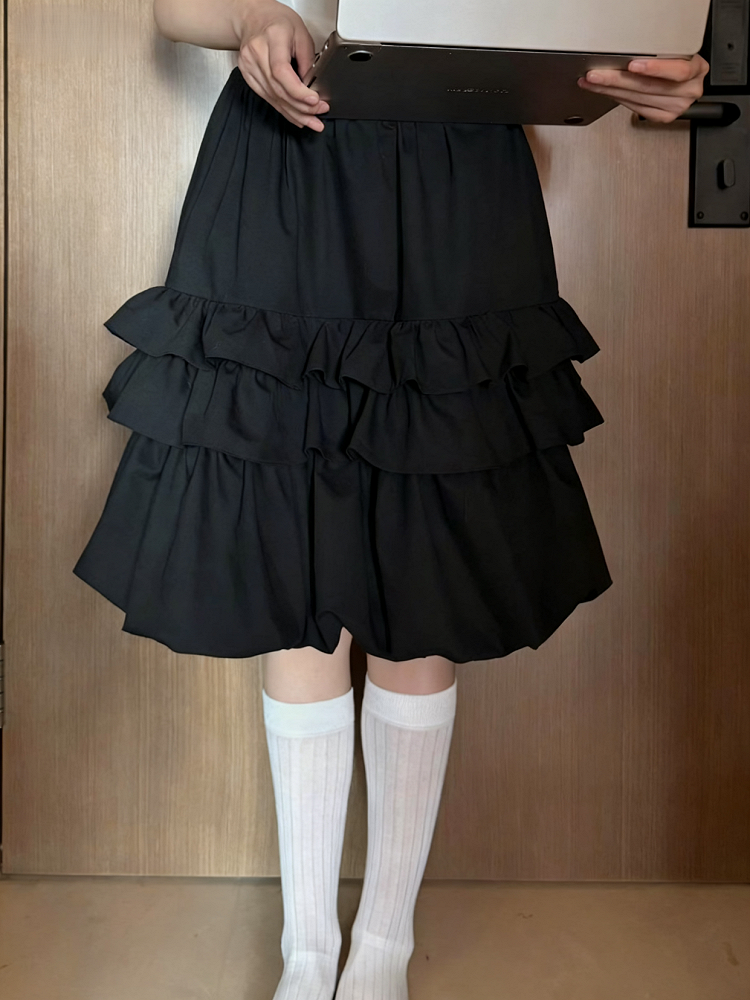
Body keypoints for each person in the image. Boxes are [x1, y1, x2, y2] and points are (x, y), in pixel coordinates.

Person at [73, 2, 709, 998]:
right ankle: (307, 952)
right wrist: (252, 13)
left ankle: (384, 949)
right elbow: (173, 5)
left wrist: (636, 65)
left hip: (461, 164)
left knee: (427, 558)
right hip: (289, 155)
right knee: (292, 543)